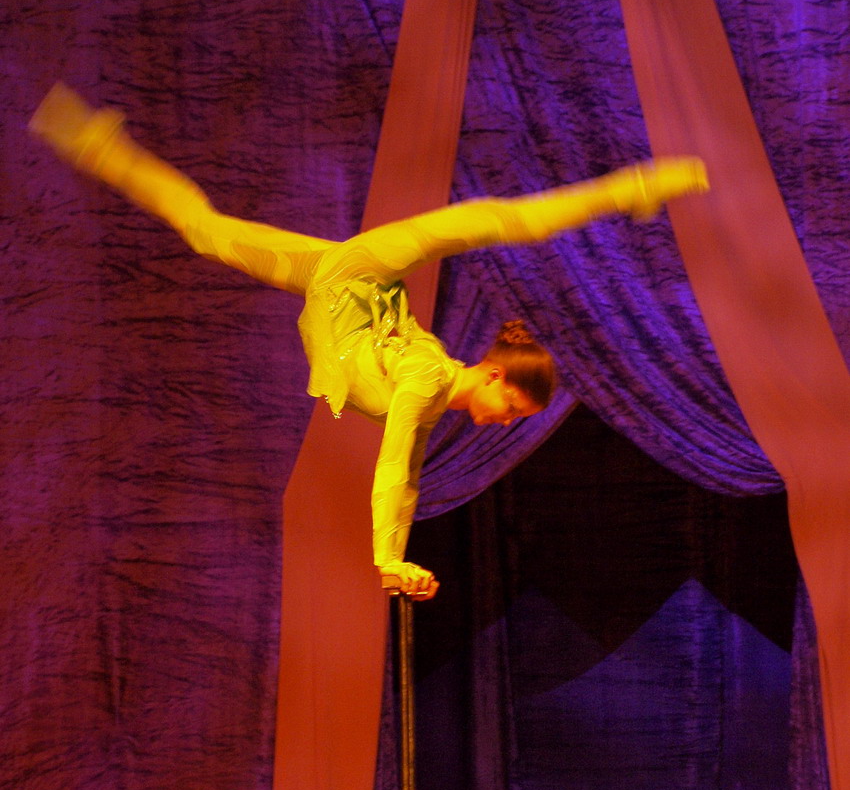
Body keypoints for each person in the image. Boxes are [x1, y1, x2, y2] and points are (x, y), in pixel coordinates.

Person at [29, 83, 708, 599]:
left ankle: (101, 148)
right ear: (496, 378)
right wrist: (388, 557)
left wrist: (395, 560)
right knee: (496, 222)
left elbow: (404, 466)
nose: (505, 422)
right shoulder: (427, 379)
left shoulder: (434, 384)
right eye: (512, 409)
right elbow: (395, 468)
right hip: (360, 272)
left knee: (206, 232)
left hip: (333, 281)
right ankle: (633, 187)